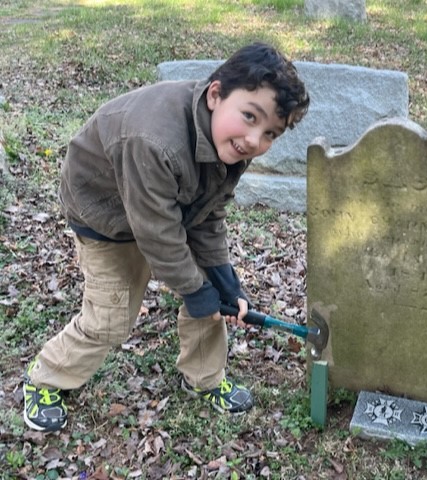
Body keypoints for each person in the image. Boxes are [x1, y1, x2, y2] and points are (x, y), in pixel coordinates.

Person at [22, 42, 310, 432]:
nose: (254, 140)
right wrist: (195, 290)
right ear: (215, 95)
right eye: (249, 116)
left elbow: (207, 217)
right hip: (106, 215)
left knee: (211, 293)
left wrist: (223, 279)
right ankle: (45, 379)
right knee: (111, 319)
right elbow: (157, 234)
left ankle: (204, 378)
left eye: (271, 133)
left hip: (164, 204)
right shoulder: (154, 141)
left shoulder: (230, 142)